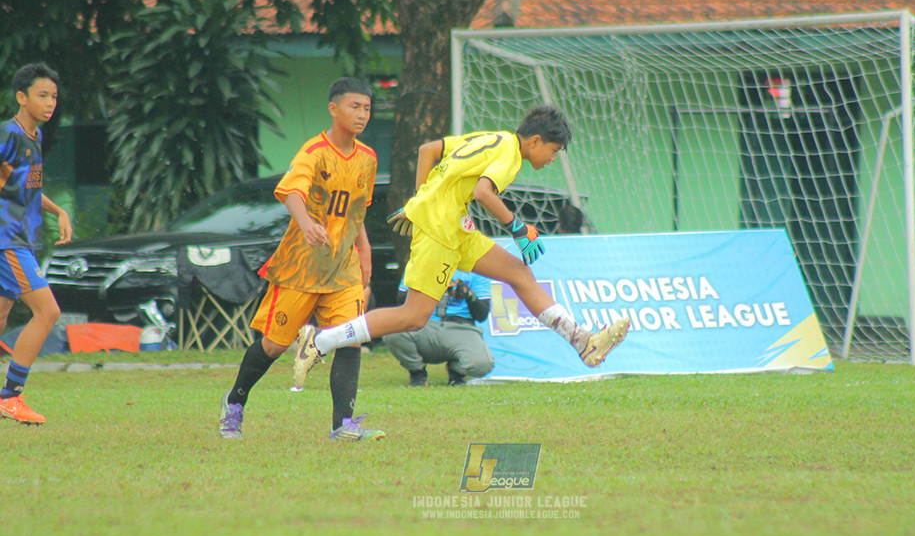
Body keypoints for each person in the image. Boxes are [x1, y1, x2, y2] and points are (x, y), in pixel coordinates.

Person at [295, 105, 630, 379]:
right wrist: (517, 227)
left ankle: (582, 341)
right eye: (554, 150)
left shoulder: (493, 137)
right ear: (536, 140)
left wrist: (422, 200)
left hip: (457, 227)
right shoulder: (511, 155)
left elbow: (429, 150)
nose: (553, 158)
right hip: (441, 231)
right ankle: (322, 340)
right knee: (413, 317)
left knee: (519, 273)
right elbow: (484, 192)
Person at [218, 77, 385, 442]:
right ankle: (234, 403)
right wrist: (307, 224)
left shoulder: (367, 159)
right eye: (354, 107)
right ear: (334, 108)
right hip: (300, 266)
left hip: (343, 268)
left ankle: (343, 424)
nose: (362, 115)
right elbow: (292, 191)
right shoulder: (314, 151)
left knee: (349, 338)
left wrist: (366, 251)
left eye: (367, 108)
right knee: (274, 346)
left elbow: (358, 213)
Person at [0, 63, 73, 425]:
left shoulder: (34, 138)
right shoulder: (9, 136)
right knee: (48, 313)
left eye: (54, 96)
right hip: (7, 241)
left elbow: (28, 188)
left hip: (19, 240)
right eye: (42, 95)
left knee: (0, 315)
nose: (50, 103)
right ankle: (11, 396)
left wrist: (58, 210)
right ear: (21, 97)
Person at [385, 270, 493, 386]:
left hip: (460, 326)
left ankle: (456, 371)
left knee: (482, 365)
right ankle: (417, 372)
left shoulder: (476, 269)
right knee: (393, 333)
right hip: (424, 324)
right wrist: (432, 288)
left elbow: (482, 315)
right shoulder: (420, 262)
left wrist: (468, 294)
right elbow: (401, 301)